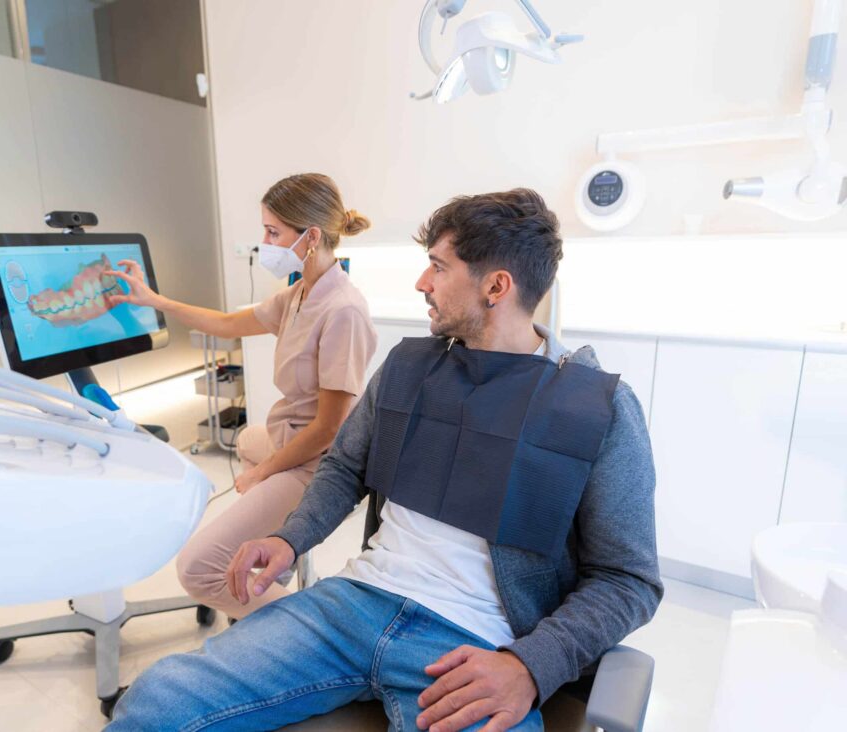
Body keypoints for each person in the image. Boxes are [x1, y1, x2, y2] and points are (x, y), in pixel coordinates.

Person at [106, 189, 663, 732]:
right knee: (154, 703)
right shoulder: (407, 368)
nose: (422, 282)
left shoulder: (598, 408)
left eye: (438, 268)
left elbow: (628, 580)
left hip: (474, 643)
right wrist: (289, 538)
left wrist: (530, 664)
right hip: (351, 607)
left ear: (496, 286)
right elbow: (345, 467)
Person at [105, 173, 378, 620]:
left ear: (310, 237)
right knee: (246, 439)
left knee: (197, 569)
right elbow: (229, 323)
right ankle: (275, 564)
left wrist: (266, 473)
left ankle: (309, 628)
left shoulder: (343, 311)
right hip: (285, 438)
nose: (264, 242)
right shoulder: (299, 292)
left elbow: (329, 428)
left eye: (273, 232)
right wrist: (154, 300)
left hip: (316, 461)